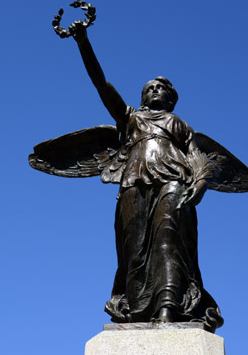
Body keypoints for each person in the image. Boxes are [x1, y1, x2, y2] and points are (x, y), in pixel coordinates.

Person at [70, 24, 224, 330]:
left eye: (161, 88)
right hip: (133, 182)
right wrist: (82, 40)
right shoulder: (131, 119)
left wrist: (202, 181)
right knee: (134, 249)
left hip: (174, 181)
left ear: (170, 99)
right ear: (143, 98)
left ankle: (168, 307)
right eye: (149, 88)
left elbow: (198, 157)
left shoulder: (180, 125)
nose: (155, 90)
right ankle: (139, 310)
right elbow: (101, 84)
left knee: (169, 241)